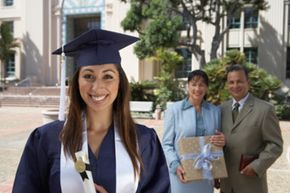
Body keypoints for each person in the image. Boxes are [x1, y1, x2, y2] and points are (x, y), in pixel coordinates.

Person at [12, 29, 170, 193]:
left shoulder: (143, 141)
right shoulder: (47, 139)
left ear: (120, 82)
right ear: (77, 82)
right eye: (88, 76)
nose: (97, 87)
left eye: (108, 76)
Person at [220, 64, 283, 193]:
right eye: (231, 82)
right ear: (227, 85)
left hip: (251, 183)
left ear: (248, 82)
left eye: (239, 81)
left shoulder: (265, 110)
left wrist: (257, 166)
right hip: (227, 185)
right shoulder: (221, 110)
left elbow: (275, 145)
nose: (235, 86)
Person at [162, 69, 225, 193]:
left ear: (206, 88)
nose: (197, 88)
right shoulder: (174, 110)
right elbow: (167, 144)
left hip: (206, 173)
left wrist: (218, 172)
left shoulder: (215, 111)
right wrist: (176, 166)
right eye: (194, 84)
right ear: (188, 86)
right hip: (182, 173)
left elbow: (216, 143)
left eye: (201, 84)